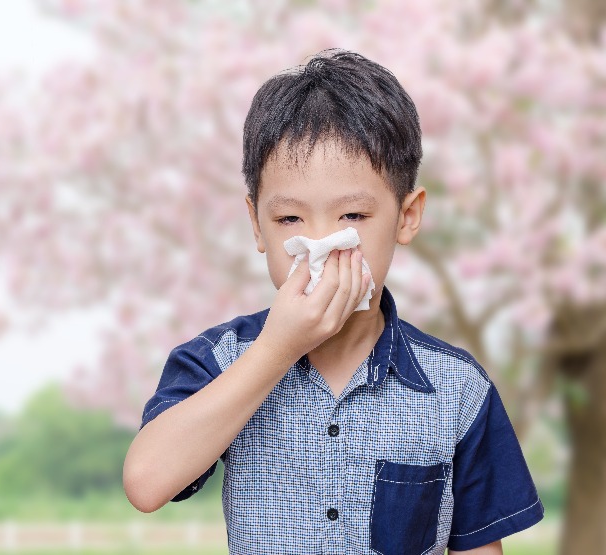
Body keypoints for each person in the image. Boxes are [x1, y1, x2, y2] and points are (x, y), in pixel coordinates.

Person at [123, 49, 544, 554]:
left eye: (352, 217)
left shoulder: (456, 389)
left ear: (407, 217)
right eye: (290, 221)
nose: (321, 245)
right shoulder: (219, 361)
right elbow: (147, 483)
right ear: (256, 224)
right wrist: (276, 349)